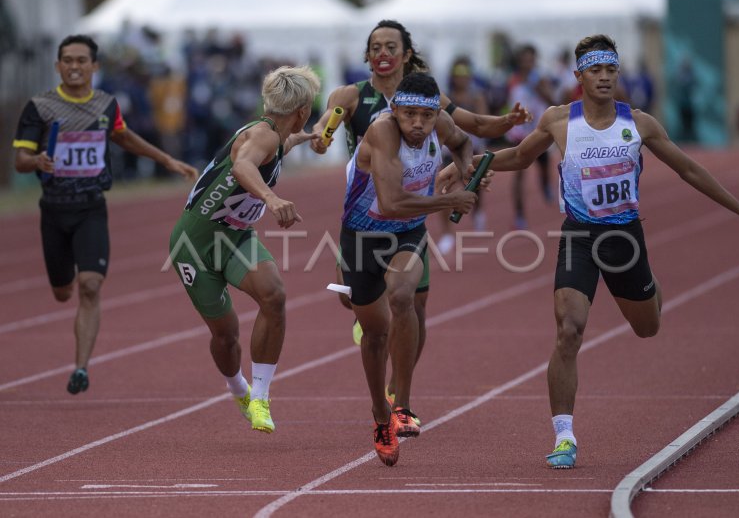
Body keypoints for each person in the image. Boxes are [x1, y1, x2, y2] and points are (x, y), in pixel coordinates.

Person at [485, 34, 739, 469]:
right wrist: (474, 163)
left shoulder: (639, 124)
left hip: (624, 239)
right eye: (595, 70)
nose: (604, 77)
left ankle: (650, 284)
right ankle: (564, 435)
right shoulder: (558, 120)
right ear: (579, 76)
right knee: (569, 328)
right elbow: (519, 157)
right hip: (579, 236)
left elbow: (688, 169)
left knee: (647, 327)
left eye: (610, 70)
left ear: (617, 73)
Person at [309, 19, 529, 418]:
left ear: (406, 54)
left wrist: (474, 163)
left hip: (408, 227)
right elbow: (325, 127)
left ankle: (400, 397)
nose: (382, 54)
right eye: (375, 47)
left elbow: (469, 132)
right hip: (365, 222)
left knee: (411, 301)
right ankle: (368, 324)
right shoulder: (353, 97)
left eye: (391, 46)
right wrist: (322, 134)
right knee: (372, 321)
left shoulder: (431, 103)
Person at [12, 34, 198, 395]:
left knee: (91, 285)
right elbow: (20, 161)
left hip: (91, 207)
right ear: (58, 66)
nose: (75, 66)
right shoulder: (40, 107)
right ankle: (66, 298)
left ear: (94, 66)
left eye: (82, 60)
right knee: (63, 291)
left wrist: (166, 159)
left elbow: (124, 137)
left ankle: (81, 368)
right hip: (54, 209)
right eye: (67, 60)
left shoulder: (106, 104)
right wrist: (36, 160)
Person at [167, 66, 320, 433]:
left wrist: (309, 137)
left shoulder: (277, 133)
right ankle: (237, 386)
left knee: (274, 295)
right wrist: (270, 197)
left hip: (233, 237)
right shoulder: (260, 137)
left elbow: (285, 143)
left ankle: (260, 398)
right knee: (226, 334)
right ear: (301, 109)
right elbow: (242, 166)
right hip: (195, 245)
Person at [339, 72, 477, 465]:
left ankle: (402, 405)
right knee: (374, 334)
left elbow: (465, 143)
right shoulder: (383, 132)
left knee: (403, 298)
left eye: (427, 116)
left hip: (407, 234)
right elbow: (392, 200)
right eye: (410, 114)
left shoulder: (441, 123)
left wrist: (463, 171)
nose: (419, 124)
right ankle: (379, 415)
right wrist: (447, 200)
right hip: (363, 236)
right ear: (394, 110)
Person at [436, 57, 491, 255]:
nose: (462, 80)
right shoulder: (447, 98)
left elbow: (481, 122)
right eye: (458, 76)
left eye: (465, 76)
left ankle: (478, 213)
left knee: (476, 188)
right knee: (443, 189)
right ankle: (447, 234)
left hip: (472, 149)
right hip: (450, 150)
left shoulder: (476, 97)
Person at [505, 44, 557, 227]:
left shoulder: (540, 79)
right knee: (518, 174)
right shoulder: (513, 80)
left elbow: (553, 101)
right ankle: (519, 214)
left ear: (535, 60)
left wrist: (538, 89)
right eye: (524, 59)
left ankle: (545, 185)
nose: (527, 63)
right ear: (519, 61)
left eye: (530, 59)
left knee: (543, 167)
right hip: (520, 133)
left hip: (539, 132)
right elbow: (508, 103)